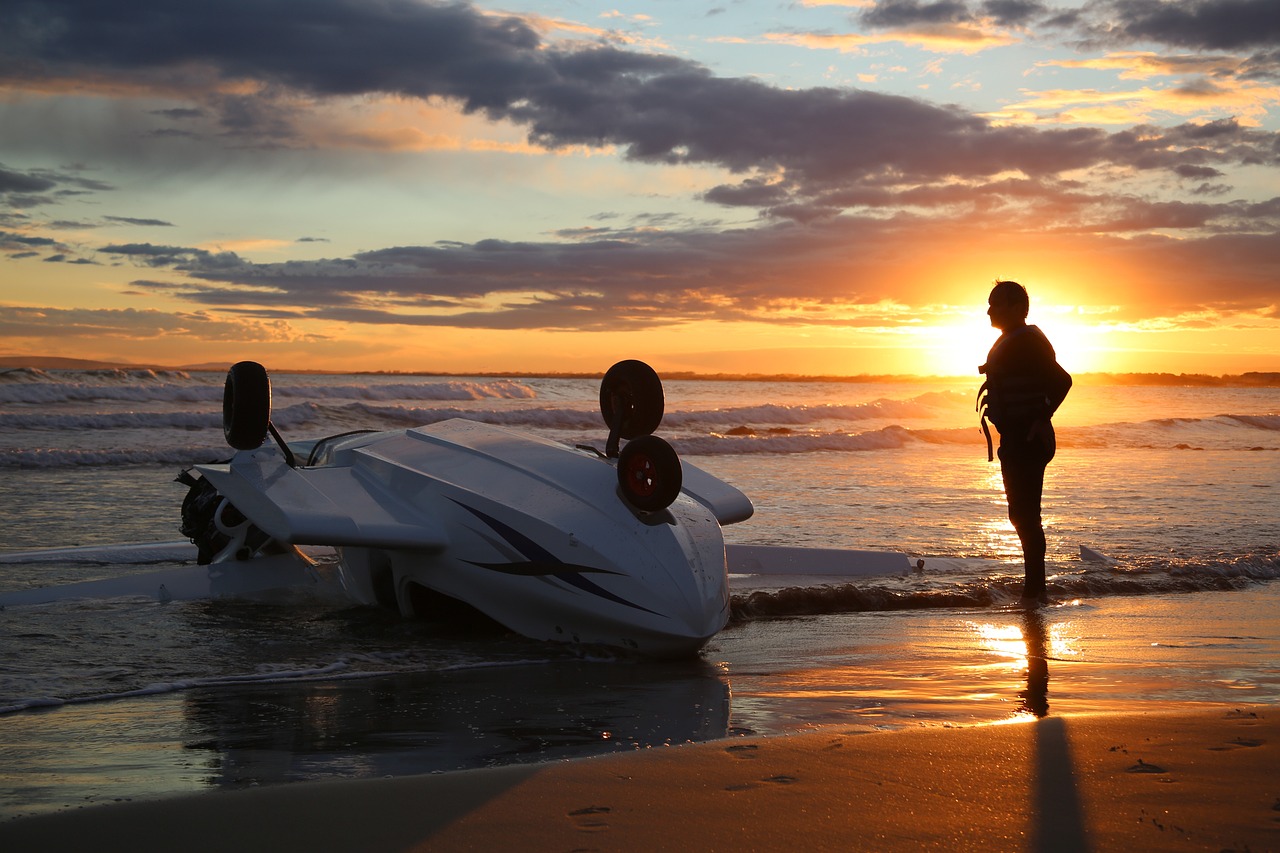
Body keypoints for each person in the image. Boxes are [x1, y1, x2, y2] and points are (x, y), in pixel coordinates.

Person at [977, 280, 1072, 605]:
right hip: (1015, 438)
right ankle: (1034, 589)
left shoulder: (1028, 341)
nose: (989, 310)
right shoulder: (1012, 341)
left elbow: (1062, 380)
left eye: (996, 304)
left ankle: (1035, 592)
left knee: (1026, 516)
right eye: (989, 304)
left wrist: (1041, 417)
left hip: (1028, 440)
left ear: (1018, 308)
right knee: (1021, 515)